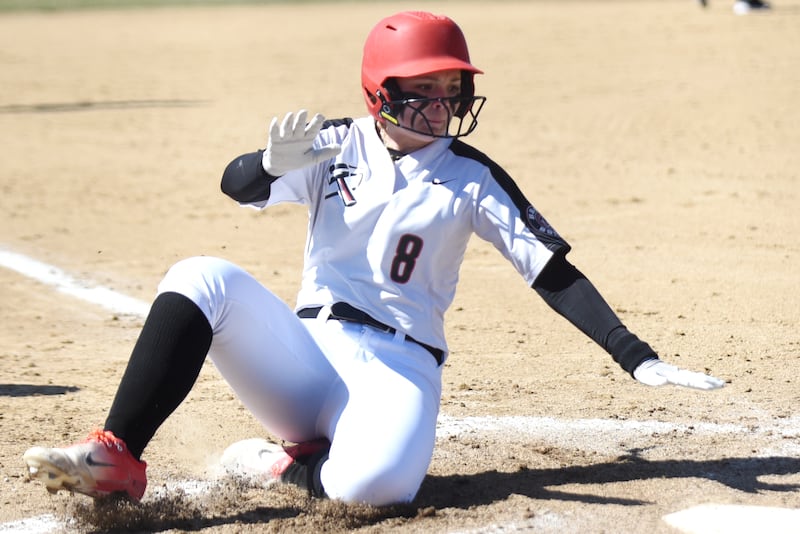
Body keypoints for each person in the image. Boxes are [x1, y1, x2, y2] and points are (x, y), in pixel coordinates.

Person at [23, 10, 724, 507]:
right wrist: (266, 164)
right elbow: (237, 188)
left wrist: (635, 354)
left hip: (400, 365)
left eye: (451, 87)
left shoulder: (472, 175)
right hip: (304, 355)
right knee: (200, 276)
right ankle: (117, 455)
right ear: (380, 91)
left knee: (375, 489)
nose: (442, 104)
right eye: (423, 88)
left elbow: (551, 270)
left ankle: (282, 469)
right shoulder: (334, 143)